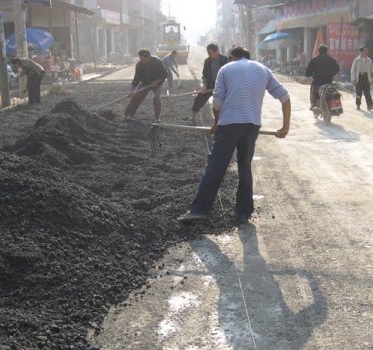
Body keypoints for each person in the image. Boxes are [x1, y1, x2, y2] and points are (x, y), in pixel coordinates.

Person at [178, 46, 291, 224]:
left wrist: (217, 123)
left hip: (229, 124)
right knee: (244, 167)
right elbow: (284, 97)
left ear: (232, 57)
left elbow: (217, 102)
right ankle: (244, 212)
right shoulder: (263, 69)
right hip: (252, 125)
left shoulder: (226, 68)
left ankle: (199, 210)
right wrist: (285, 127)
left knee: (216, 165)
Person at [124, 49, 168, 122]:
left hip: (157, 83)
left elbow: (165, 74)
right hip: (145, 83)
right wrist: (132, 90)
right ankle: (129, 115)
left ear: (148, 57)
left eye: (142, 58)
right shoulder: (139, 65)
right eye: (140, 58)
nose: (140, 60)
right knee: (136, 97)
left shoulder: (157, 62)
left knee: (157, 98)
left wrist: (157, 81)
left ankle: (157, 118)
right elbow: (136, 79)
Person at [191, 43, 229, 125]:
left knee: (223, 104)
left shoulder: (225, 60)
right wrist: (204, 86)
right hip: (210, 85)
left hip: (222, 86)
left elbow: (229, 75)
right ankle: (193, 118)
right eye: (208, 54)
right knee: (199, 99)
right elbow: (205, 75)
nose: (210, 56)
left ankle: (223, 121)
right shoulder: (207, 61)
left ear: (217, 52)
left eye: (211, 54)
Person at [305, 44, 340, 110]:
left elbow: (307, 72)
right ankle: (334, 108)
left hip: (317, 82)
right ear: (326, 51)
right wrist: (332, 74)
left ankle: (313, 105)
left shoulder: (314, 60)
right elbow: (337, 69)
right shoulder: (332, 60)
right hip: (328, 82)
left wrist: (309, 74)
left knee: (313, 92)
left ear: (319, 51)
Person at [350, 47, 373, 111]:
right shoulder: (356, 60)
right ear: (361, 52)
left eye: (366, 51)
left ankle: (370, 105)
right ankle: (358, 105)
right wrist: (353, 79)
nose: (366, 52)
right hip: (359, 77)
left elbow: (372, 70)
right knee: (358, 92)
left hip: (366, 77)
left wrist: (372, 78)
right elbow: (353, 70)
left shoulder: (369, 60)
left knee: (367, 92)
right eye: (364, 51)